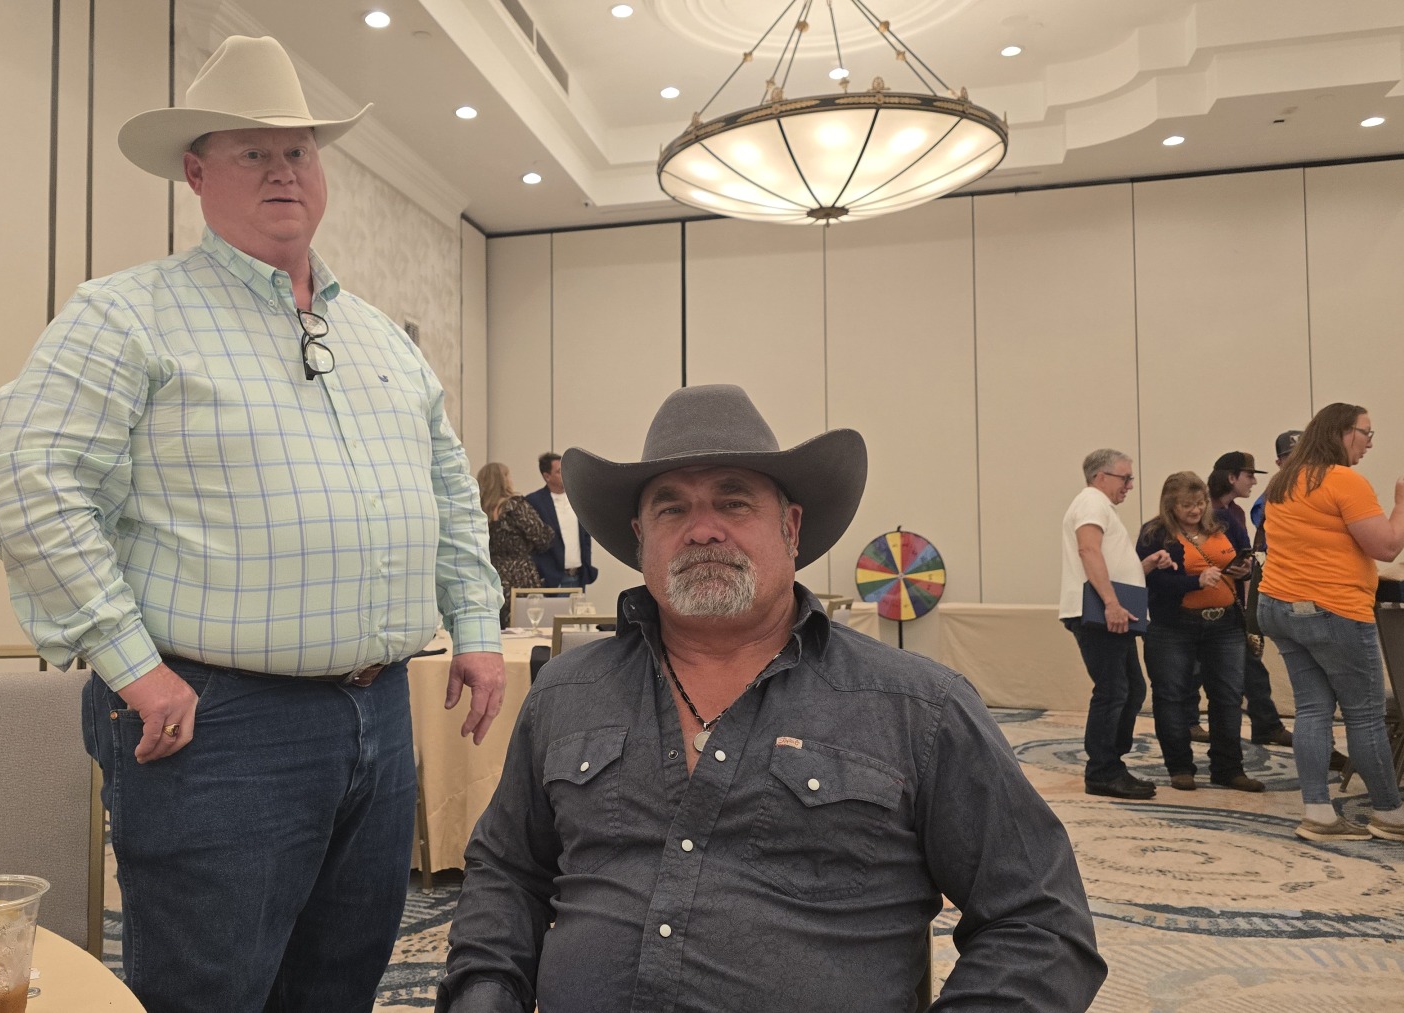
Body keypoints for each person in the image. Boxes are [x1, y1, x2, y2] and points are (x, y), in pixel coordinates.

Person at [0, 36, 508, 1013]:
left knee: (340, 982)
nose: (283, 171)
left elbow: (447, 490)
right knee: (211, 991)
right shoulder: (127, 315)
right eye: (252, 151)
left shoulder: (380, 337)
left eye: (298, 150)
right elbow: (25, 483)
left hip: (382, 712)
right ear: (195, 172)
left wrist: (475, 623)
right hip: (218, 723)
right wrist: (132, 664)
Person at [440, 385, 1105, 1012]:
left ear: (791, 527)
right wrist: (483, 995)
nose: (702, 530)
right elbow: (507, 872)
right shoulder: (567, 692)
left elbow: (1040, 921)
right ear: (641, 537)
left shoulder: (917, 707)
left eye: (733, 503)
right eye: (672, 508)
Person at [1257, 403, 1404, 843]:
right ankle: (1391, 816)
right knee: (1364, 715)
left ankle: (1319, 815)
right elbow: (1387, 546)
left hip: (1279, 605)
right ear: (1342, 433)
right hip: (1333, 609)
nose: (1369, 443)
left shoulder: (1285, 480)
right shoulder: (1343, 479)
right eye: (1366, 433)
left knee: (1312, 710)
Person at [1136, 472, 1265, 793]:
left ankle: (1229, 768)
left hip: (1225, 624)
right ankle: (1180, 767)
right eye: (1186, 505)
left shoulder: (1224, 523)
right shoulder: (1154, 533)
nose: (1195, 511)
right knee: (1172, 696)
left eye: (1200, 503)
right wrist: (1196, 581)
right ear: (1170, 505)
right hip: (1173, 626)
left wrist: (1244, 570)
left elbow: (1245, 557)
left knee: (1228, 696)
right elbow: (1151, 581)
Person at [1061, 449, 1177, 799]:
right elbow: (1088, 551)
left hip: (1109, 610)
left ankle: (1112, 763)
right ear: (1101, 477)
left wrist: (1146, 566)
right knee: (1113, 692)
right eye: (1125, 478)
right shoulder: (1091, 502)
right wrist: (1111, 603)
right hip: (1100, 612)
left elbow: (1108, 564)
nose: (1130, 485)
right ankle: (1102, 771)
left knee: (1130, 690)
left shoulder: (1100, 506)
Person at [1202, 451, 1292, 747]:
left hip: (1235, 600)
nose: (1253, 481)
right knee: (1206, 671)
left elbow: (1245, 554)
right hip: (1208, 602)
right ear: (1231, 477)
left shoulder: (1237, 513)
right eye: (1249, 475)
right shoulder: (1206, 511)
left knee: (1251, 666)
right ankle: (1264, 725)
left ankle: (1266, 724)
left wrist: (1246, 569)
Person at [477, 462, 556, 627]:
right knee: (526, 626)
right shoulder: (515, 505)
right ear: (503, 480)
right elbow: (542, 537)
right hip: (520, 574)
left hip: (490, 575)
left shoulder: (479, 509)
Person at [526, 451, 599, 589]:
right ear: (547, 476)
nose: (564, 474)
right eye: (559, 471)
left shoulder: (577, 498)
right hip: (550, 579)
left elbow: (585, 536)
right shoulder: (534, 502)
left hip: (578, 576)